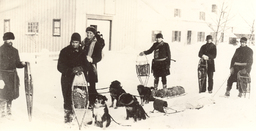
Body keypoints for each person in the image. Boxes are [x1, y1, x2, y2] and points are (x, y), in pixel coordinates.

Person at [57, 32, 88, 123]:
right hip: (67, 78)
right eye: (73, 42)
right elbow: (60, 66)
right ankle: (67, 115)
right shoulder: (64, 51)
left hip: (79, 79)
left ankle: (77, 114)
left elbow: (86, 65)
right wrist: (71, 70)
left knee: (78, 96)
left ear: (79, 43)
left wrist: (81, 68)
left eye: (76, 42)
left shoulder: (82, 52)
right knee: (67, 97)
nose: (74, 44)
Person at [0, 32, 26, 118]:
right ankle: (2, 112)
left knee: (10, 95)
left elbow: (17, 64)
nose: (10, 41)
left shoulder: (15, 51)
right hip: (3, 75)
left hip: (12, 76)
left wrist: (22, 64)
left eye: (11, 39)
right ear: (5, 40)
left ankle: (9, 111)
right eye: (8, 39)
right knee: (3, 95)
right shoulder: (0, 50)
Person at [81, 26, 105, 107]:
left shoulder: (97, 44)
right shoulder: (83, 42)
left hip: (91, 67)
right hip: (83, 66)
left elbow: (99, 57)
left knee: (92, 84)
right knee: (82, 83)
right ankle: (83, 101)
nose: (88, 34)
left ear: (93, 34)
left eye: (90, 33)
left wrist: (92, 59)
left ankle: (92, 102)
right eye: (87, 33)